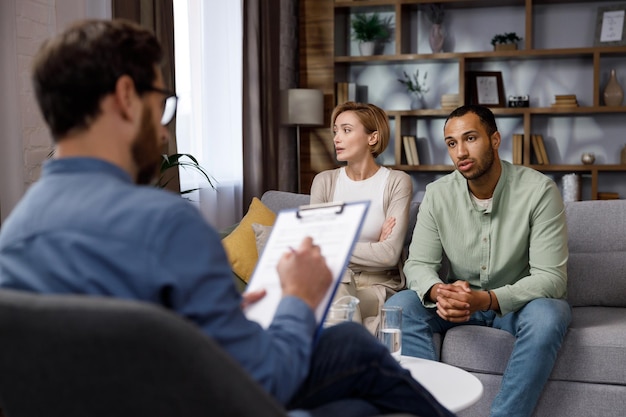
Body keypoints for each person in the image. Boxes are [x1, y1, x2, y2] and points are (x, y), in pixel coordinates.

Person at [0, 19, 456, 417]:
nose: (163, 130)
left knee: (352, 405)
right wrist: (297, 298)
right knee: (351, 347)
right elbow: (264, 381)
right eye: (162, 105)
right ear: (125, 97)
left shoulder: (14, 235)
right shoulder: (166, 224)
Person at [385, 104, 571, 417]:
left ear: (495, 140)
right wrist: (438, 292)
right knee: (404, 306)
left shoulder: (539, 191)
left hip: (515, 304)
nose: (460, 151)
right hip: (459, 304)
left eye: (470, 138)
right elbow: (417, 265)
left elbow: (551, 278)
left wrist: (486, 299)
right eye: (452, 143)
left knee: (549, 315)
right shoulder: (438, 194)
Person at [310, 101, 412, 334]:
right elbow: (317, 249)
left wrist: (336, 245)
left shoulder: (396, 182)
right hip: (334, 281)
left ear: (372, 138)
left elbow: (389, 255)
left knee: (333, 306)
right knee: (334, 292)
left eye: (346, 130)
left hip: (377, 286)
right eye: (335, 130)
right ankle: (356, 358)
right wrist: (372, 246)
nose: (337, 138)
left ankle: (348, 359)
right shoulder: (324, 182)